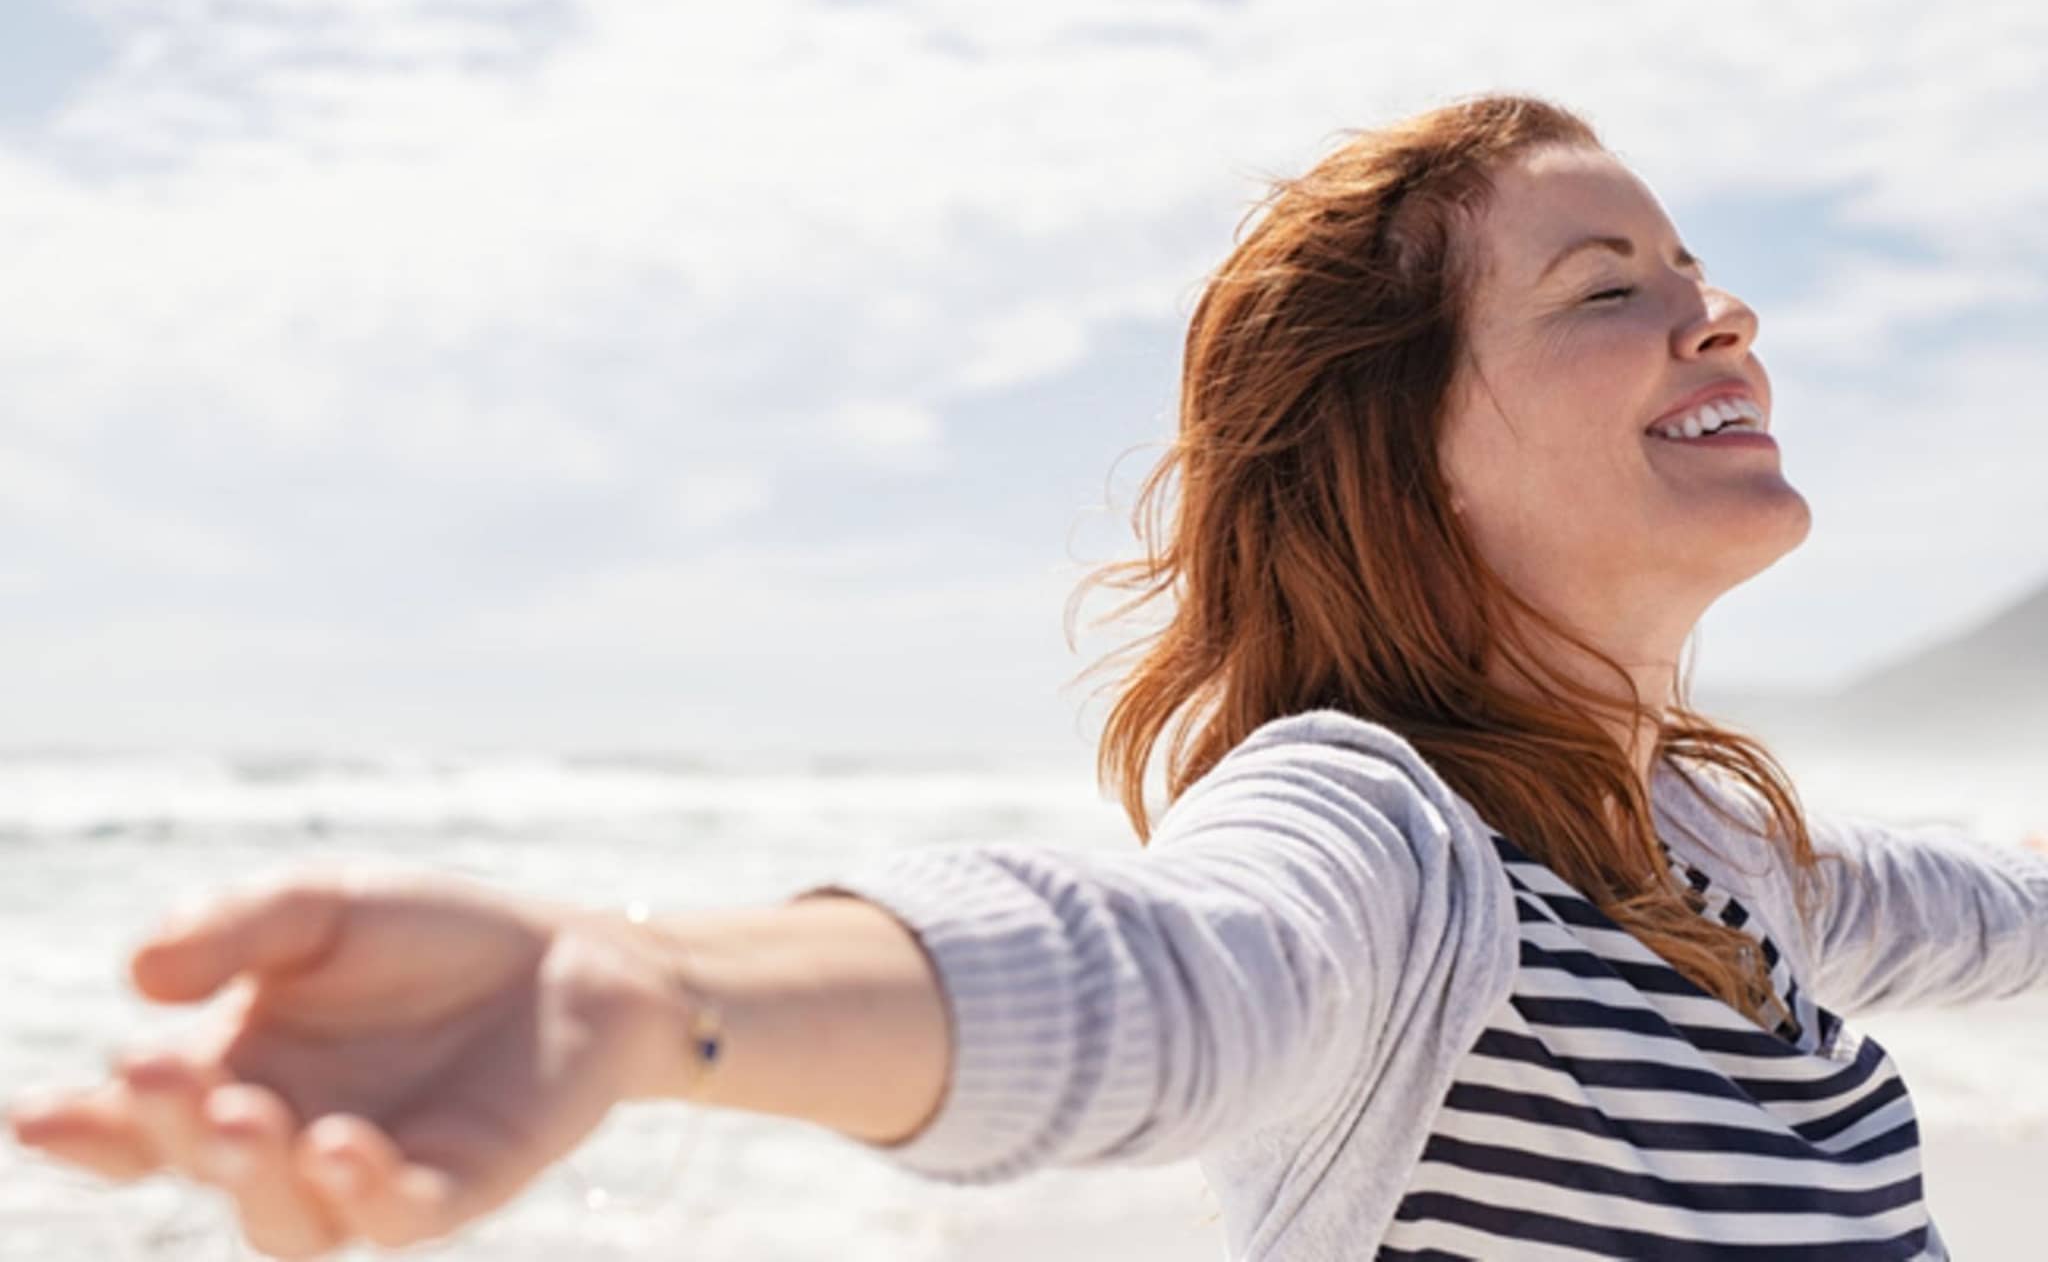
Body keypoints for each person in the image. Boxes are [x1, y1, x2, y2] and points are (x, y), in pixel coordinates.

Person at [9, 92, 2046, 1261]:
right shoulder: (1381, 834)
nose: (1720, 318)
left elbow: (2012, 914)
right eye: (1612, 290)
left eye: (1702, 275)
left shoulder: (1720, 851)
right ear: (1393, 447)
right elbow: (1155, 976)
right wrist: (652, 994)